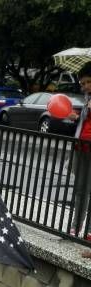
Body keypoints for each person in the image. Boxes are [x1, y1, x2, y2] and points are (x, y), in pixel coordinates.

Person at [69, 63, 91, 237]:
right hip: (81, 146)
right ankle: (75, 226)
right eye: (82, 83)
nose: (84, 86)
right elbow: (83, 124)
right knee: (80, 189)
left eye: (88, 82)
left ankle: (89, 231)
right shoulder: (87, 99)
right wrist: (76, 117)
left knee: (89, 189)